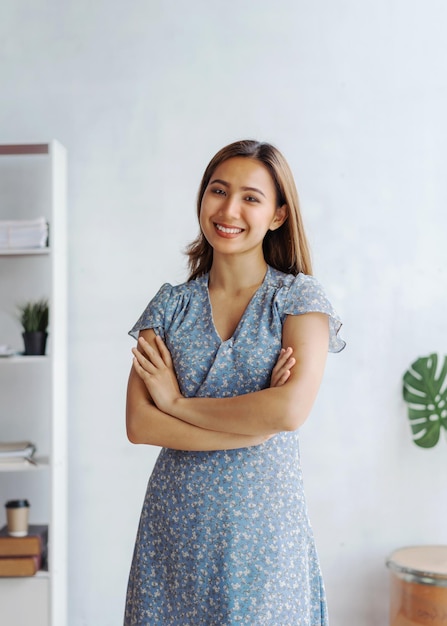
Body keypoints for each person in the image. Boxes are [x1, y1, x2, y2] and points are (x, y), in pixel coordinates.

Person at [124, 139, 345, 625]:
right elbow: (140, 423)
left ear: (278, 215)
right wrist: (251, 423)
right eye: (218, 191)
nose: (229, 209)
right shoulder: (169, 305)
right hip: (175, 532)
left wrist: (177, 404)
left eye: (251, 197)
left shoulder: (298, 299)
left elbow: (287, 413)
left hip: (265, 540)